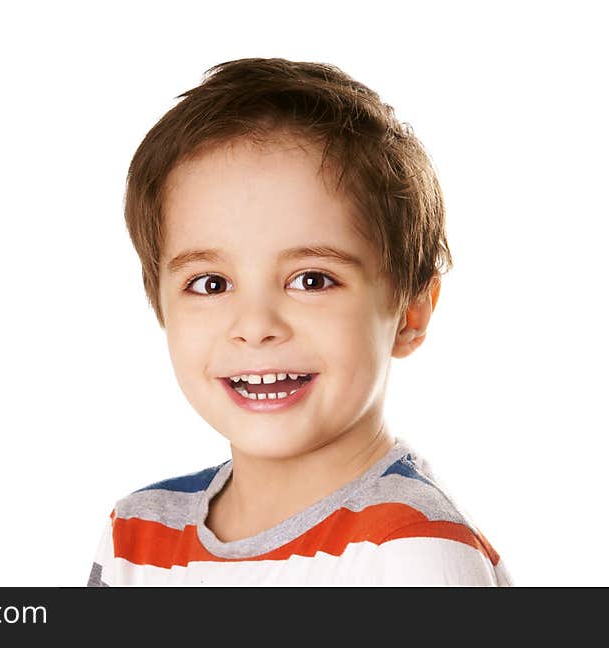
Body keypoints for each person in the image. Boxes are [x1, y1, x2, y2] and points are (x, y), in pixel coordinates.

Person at [87, 57, 512, 586]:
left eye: (311, 279)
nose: (256, 324)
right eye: (210, 284)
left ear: (410, 311)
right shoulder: (137, 534)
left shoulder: (411, 548)